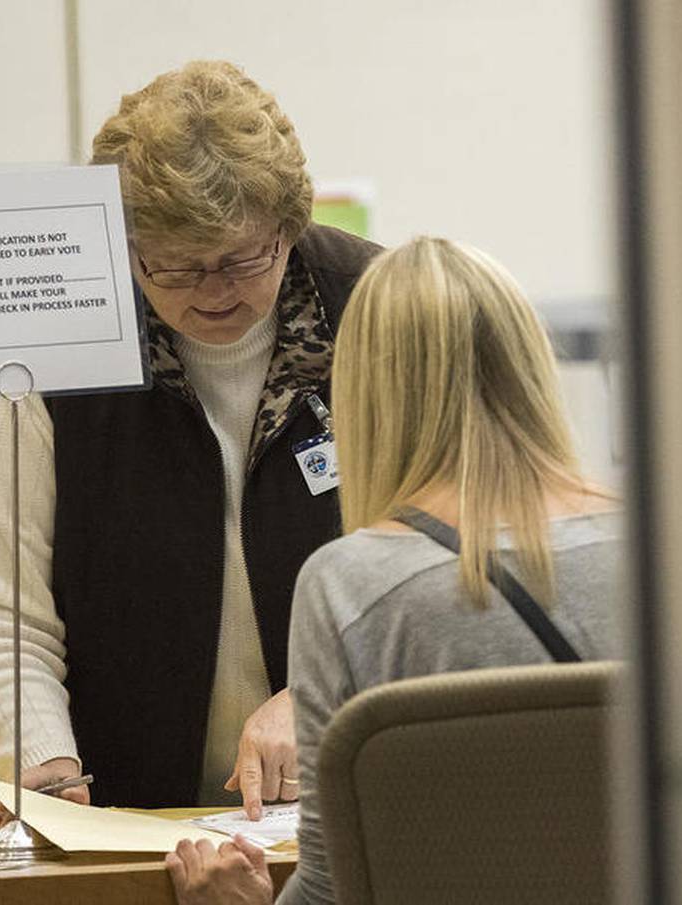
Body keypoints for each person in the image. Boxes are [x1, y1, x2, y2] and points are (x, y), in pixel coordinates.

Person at [0, 60, 382, 835]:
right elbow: (0, 605)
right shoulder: (51, 337)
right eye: (174, 265)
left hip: (350, 807)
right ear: (121, 241)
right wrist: (43, 768)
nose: (213, 291)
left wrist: (322, 694)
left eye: (244, 259)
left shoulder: (377, 309)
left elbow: (446, 566)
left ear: (290, 224)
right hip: (129, 814)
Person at [164, 237, 621, 904]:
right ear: (529, 359)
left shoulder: (350, 583)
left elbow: (331, 884)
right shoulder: (663, 544)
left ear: (368, 384)